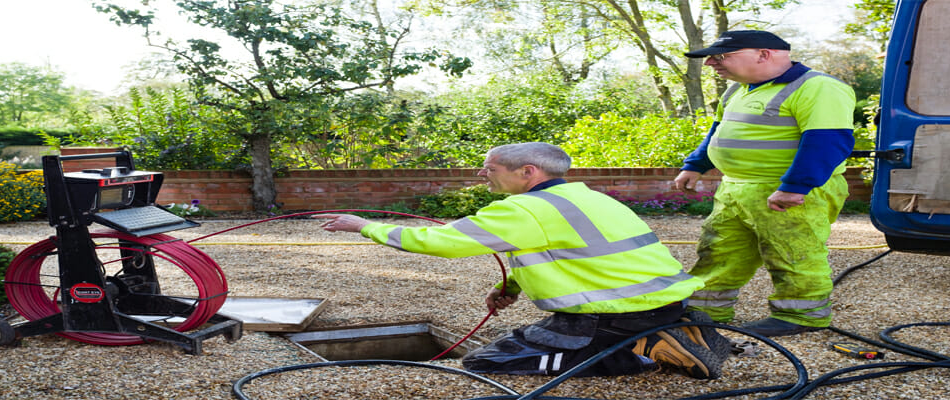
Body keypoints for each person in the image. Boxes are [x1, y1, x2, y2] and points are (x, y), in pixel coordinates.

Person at [315, 142, 730, 379]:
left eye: (490, 168)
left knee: (486, 361)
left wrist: (363, 226)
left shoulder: (522, 210)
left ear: (527, 172)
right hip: (658, 303)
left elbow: (442, 242)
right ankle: (673, 331)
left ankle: (641, 351)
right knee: (525, 339)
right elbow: (570, 254)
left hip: (609, 315)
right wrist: (510, 287)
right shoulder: (587, 197)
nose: (483, 175)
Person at [673, 30, 856, 337]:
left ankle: (801, 316)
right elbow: (718, 133)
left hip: (787, 191)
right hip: (736, 188)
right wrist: (696, 165)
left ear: (763, 54)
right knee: (719, 250)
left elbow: (827, 141)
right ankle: (705, 311)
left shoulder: (818, 87)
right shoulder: (737, 91)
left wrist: (796, 187)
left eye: (721, 57)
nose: (711, 65)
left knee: (793, 251)